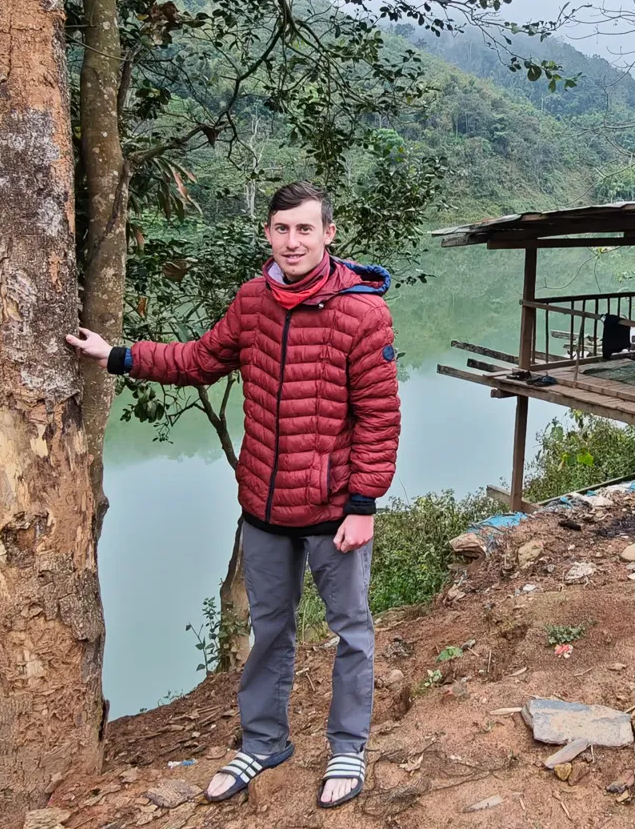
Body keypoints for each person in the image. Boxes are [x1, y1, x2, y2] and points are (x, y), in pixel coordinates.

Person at [67, 181, 398, 810]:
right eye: (282, 229)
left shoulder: (362, 313)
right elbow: (201, 358)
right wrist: (118, 356)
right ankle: (265, 740)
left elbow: (380, 416)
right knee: (268, 627)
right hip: (265, 508)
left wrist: (363, 504)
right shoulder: (253, 301)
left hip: (333, 511)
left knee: (350, 629)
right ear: (268, 234)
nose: (293, 241)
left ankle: (348, 747)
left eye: (306, 229)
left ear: (329, 234)